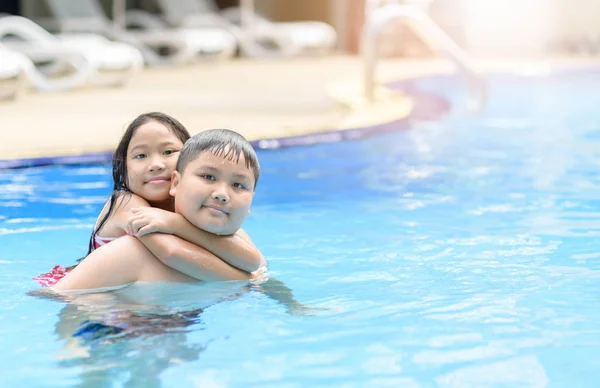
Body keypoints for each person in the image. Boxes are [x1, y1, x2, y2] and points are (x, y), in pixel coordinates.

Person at [34, 113, 263, 287]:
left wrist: (175, 223)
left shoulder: (195, 207)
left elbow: (252, 258)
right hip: (95, 297)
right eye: (140, 156)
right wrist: (244, 282)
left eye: (168, 152)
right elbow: (172, 253)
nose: (156, 164)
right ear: (124, 170)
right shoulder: (127, 204)